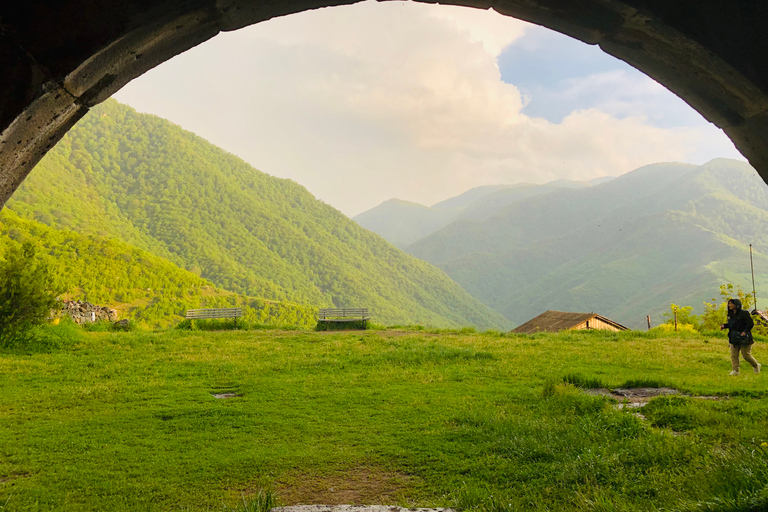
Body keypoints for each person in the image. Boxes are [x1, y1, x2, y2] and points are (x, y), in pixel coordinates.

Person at [720, 298, 761, 375]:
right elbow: (732, 325)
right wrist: (724, 326)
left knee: (746, 355)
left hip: (744, 338)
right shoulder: (730, 314)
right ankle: (735, 371)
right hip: (734, 338)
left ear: (736, 304)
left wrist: (745, 332)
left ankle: (756, 365)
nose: (729, 305)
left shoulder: (744, 313)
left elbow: (750, 324)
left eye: (731, 303)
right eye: (729, 303)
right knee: (734, 355)